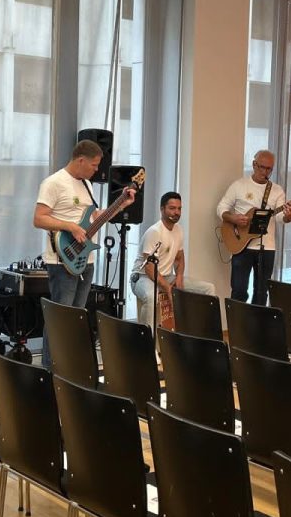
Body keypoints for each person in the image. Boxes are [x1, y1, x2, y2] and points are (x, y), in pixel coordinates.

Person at [33, 139, 135, 368]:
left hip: (85, 259)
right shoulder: (54, 182)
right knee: (60, 317)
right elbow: (39, 219)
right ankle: (50, 369)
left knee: (76, 317)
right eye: (94, 165)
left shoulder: (87, 185)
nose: (97, 170)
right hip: (62, 260)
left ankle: (69, 367)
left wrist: (120, 205)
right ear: (80, 160)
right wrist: (70, 227)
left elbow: (94, 217)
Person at [216, 150, 291, 306]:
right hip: (240, 246)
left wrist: (290, 216)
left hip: (267, 247)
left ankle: (256, 321)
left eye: (269, 169)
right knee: (239, 290)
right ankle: (237, 320)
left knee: (261, 292)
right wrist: (234, 218)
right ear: (254, 165)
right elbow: (221, 207)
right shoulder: (239, 185)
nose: (265, 172)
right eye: (261, 167)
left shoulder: (277, 190)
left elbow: (280, 217)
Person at [132, 192, 216, 329]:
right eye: (172, 208)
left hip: (166, 276)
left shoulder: (178, 230)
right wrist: (168, 288)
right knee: (151, 296)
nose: (176, 212)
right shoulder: (155, 232)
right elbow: (149, 268)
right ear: (162, 209)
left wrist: (179, 277)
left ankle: (204, 333)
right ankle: (147, 339)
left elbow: (179, 257)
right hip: (143, 277)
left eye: (179, 208)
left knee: (208, 289)